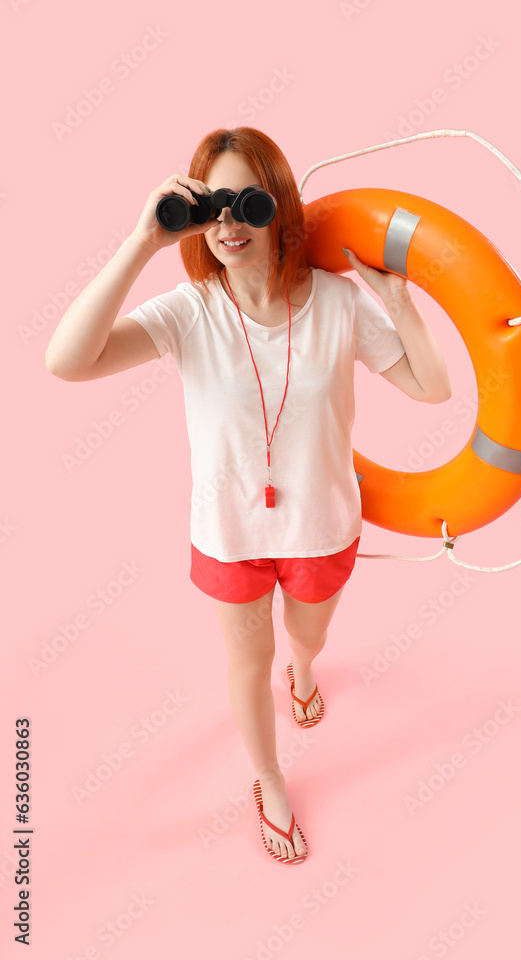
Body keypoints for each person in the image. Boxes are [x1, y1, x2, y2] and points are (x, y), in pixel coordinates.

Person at [45, 126, 451, 864]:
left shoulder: (337, 302)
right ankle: (267, 777)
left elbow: (433, 388)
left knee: (308, 636)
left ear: (277, 206)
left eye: (244, 202)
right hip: (229, 534)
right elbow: (67, 361)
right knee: (244, 660)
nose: (227, 224)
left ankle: (304, 670)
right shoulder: (189, 310)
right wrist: (143, 241)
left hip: (322, 524)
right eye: (210, 207)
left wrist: (398, 301)